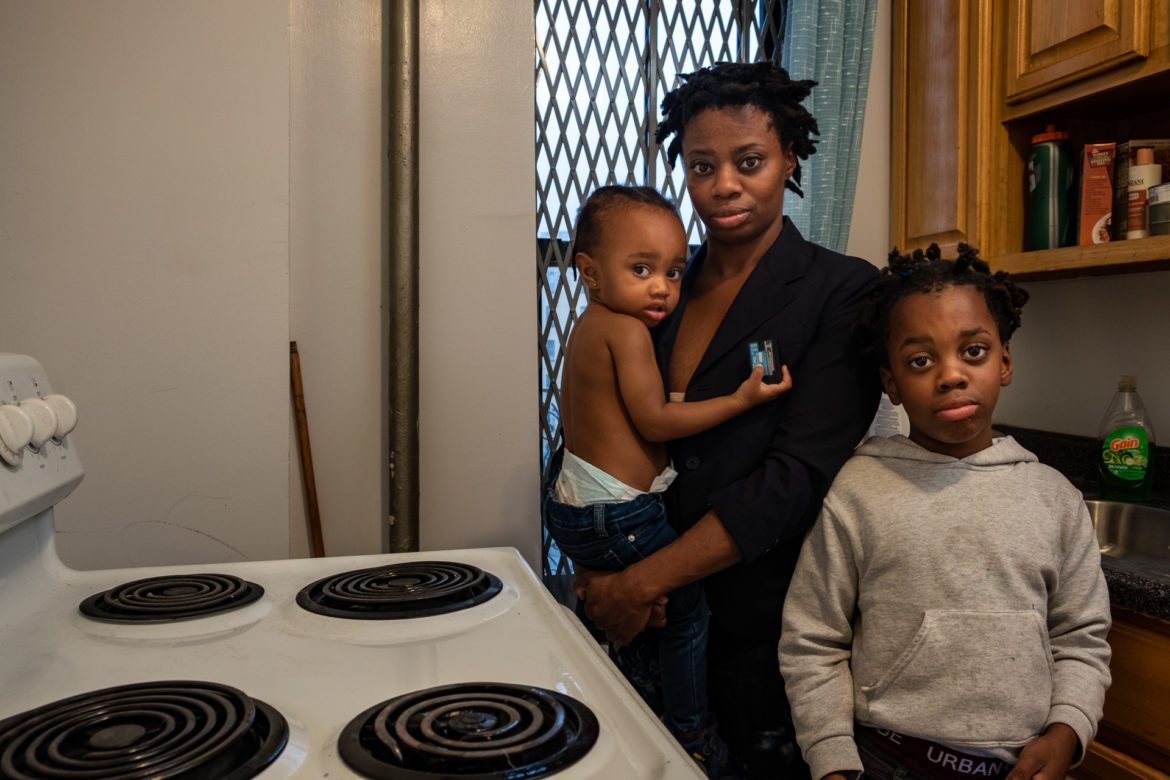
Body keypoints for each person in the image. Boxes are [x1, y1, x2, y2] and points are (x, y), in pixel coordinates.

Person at [572, 62, 881, 779]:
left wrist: (645, 580)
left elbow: (795, 477)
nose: (724, 186)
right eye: (701, 164)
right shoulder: (657, 282)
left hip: (760, 633)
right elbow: (596, 421)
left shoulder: (842, 290)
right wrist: (597, 567)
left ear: (789, 160)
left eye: (750, 162)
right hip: (639, 614)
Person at [779, 244, 1112, 780]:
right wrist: (832, 756)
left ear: (1004, 362)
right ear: (891, 383)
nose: (951, 375)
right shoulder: (857, 491)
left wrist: (1067, 731)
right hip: (885, 758)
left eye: (973, 352)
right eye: (920, 361)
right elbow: (812, 640)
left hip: (1021, 763)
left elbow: (1081, 639)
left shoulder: (1056, 499)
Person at [543, 184, 791, 777]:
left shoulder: (590, 326)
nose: (663, 286)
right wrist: (739, 399)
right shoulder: (626, 331)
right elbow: (654, 418)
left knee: (628, 621)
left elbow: (626, 415)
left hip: (576, 502)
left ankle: (613, 707)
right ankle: (690, 731)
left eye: (676, 272)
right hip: (619, 514)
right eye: (642, 269)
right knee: (685, 612)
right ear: (590, 272)